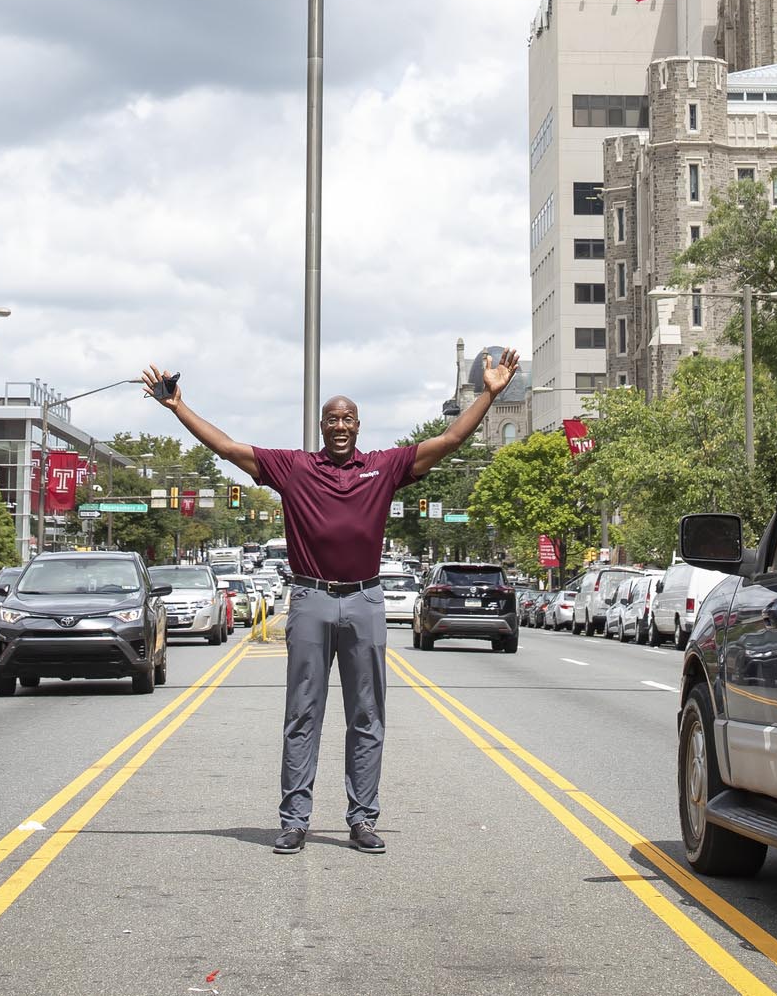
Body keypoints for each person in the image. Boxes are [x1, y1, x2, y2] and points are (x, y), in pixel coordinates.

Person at [143, 349, 519, 855]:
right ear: (321, 426)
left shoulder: (385, 468)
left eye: (347, 419)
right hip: (311, 599)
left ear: (358, 426)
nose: (339, 426)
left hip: (365, 600)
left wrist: (492, 395)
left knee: (367, 715)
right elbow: (229, 449)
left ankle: (362, 818)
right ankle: (294, 819)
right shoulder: (294, 468)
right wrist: (177, 408)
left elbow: (451, 440)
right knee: (303, 714)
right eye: (331, 419)